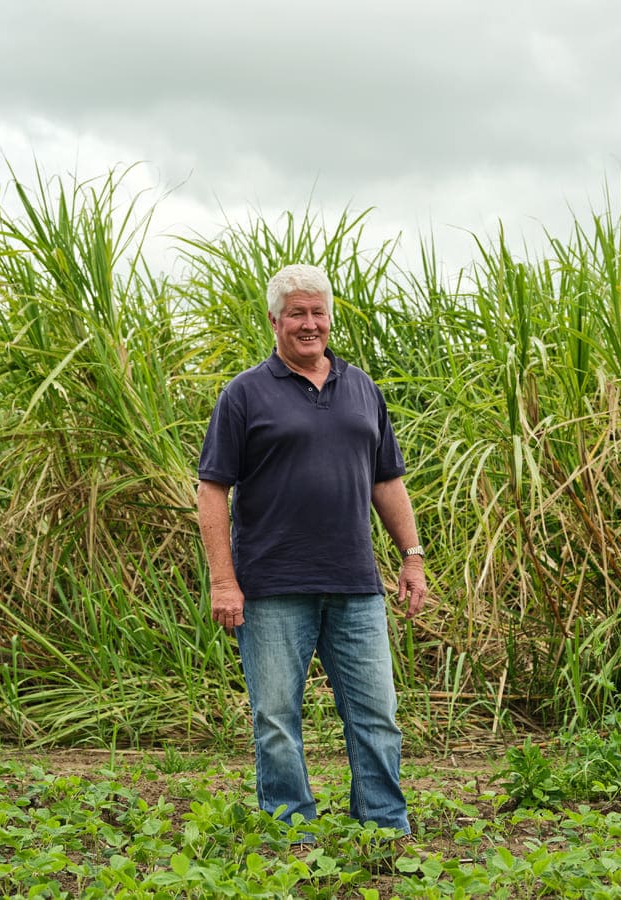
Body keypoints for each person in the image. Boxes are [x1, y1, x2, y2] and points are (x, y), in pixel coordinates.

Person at [196, 263, 427, 840]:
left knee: (377, 716)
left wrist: (412, 555)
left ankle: (384, 826)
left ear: (330, 317)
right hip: (272, 588)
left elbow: (387, 481)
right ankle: (289, 827)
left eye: (317, 312)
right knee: (276, 720)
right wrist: (224, 582)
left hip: (355, 585)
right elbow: (211, 492)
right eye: (296, 313)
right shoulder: (244, 394)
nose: (309, 323)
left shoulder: (362, 389)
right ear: (274, 320)